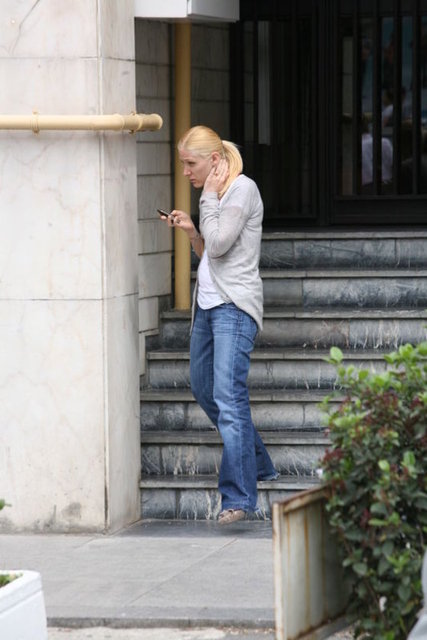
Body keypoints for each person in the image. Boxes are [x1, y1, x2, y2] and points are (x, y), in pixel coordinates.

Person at [159, 125, 279, 525]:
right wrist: (193, 232)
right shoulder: (217, 195)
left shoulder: (242, 189)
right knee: (203, 387)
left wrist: (207, 198)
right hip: (207, 306)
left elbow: (222, 242)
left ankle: (239, 497)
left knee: (229, 397)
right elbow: (211, 252)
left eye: (190, 164)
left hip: (234, 308)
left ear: (214, 160)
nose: (186, 173)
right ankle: (255, 460)